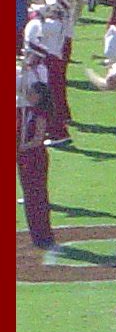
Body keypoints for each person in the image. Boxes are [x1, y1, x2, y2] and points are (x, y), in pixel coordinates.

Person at [16, 79, 55, 250]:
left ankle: (43, 235)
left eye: (32, 93)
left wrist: (23, 147)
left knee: (37, 195)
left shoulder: (40, 114)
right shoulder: (27, 110)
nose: (29, 96)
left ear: (39, 96)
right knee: (30, 197)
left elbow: (38, 139)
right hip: (26, 157)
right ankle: (36, 234)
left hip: (35, 158)